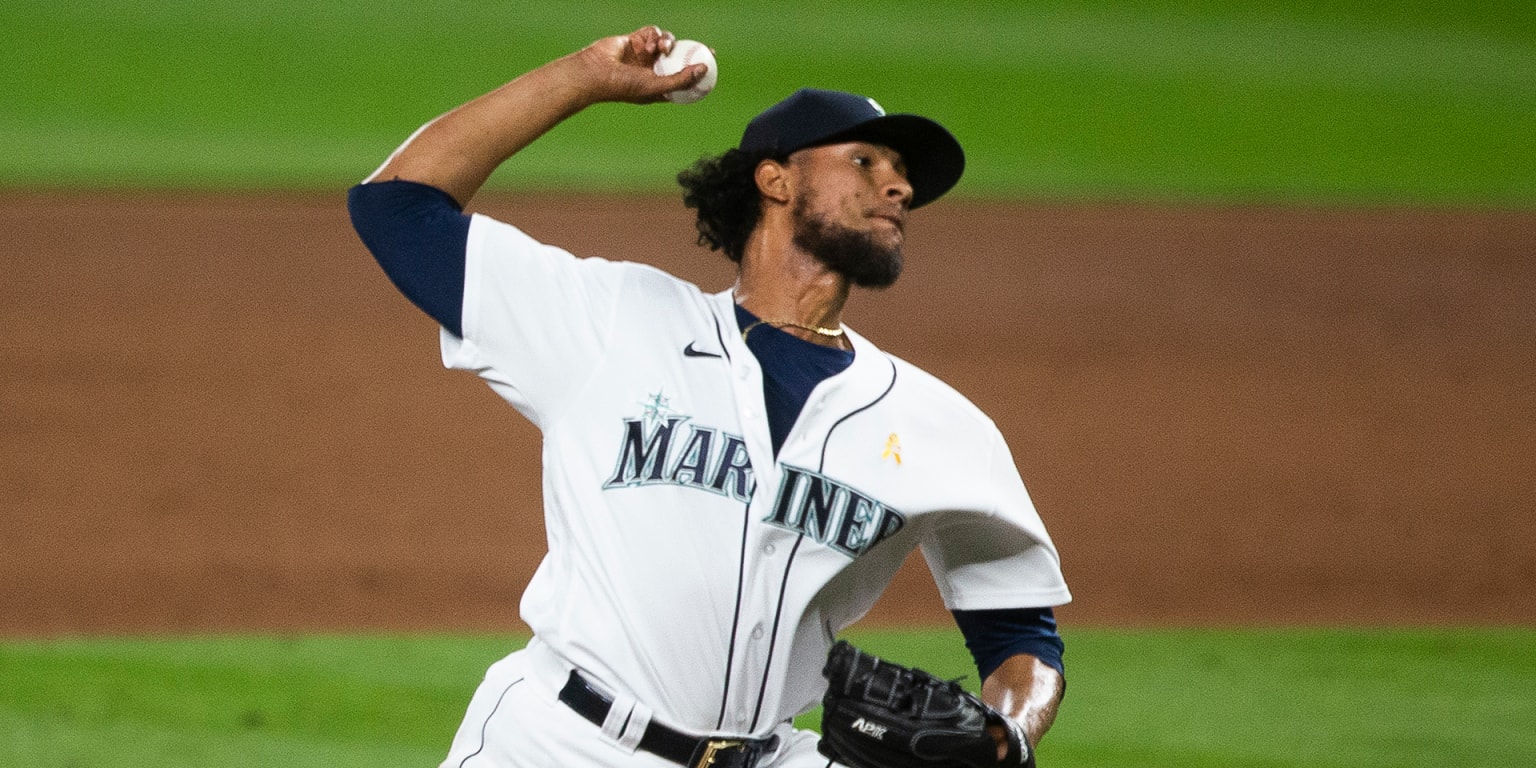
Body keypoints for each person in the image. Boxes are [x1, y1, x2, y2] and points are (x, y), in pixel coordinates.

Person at [348, 26, 1071, 768]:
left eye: (902, 176)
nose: (900, 186)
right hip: (561, 742)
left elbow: (1019, 633)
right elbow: (396, 206)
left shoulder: (942, 427)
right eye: (865, 161)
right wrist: (584, 78)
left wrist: (1008, 731)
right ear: (776, 179)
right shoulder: (611, 319)